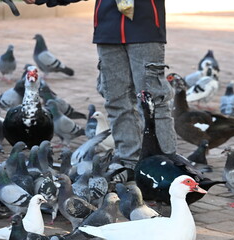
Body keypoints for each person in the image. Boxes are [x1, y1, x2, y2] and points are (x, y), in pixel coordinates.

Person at [23, 0, 177, 171]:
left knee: (153, 102)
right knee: (116, 101)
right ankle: (128, 162)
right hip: (107, 30)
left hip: (145, 27)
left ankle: (165, 163)